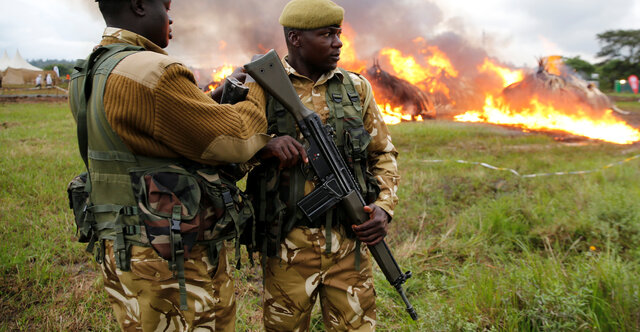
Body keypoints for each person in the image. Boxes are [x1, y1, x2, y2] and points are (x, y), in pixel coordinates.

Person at [67, 0, 270, 330]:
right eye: (165, 5)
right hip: (169, 257)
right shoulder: (154, 72)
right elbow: (235, 140)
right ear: (138, 5)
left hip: (119, 245)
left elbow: (152, 133)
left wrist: (219, 93)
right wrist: (259, 87)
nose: (171, 17)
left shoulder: (87, 71)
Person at [247, 0, 400, 330]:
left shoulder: (356, 88)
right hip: (288, 248)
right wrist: (264, 148)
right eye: (326, 34)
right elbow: (228, 155)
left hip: (350, 246)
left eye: (339, 33)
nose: (338, 42)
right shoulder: (260, 86)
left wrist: (383, 209)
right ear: (295, 38)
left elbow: (383, 154)